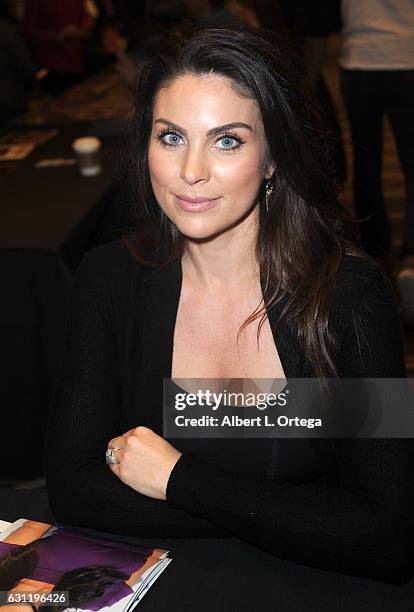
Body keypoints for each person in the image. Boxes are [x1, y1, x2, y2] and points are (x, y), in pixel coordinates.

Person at [46, 25, 414, 584]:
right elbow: (73, 487)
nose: (191, 171)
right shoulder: (110, 277)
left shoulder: (346, 296)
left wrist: (179, 479)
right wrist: (291, 517)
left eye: (227, 140)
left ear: (272, 159)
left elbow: (387, 534)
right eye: (171, 137)